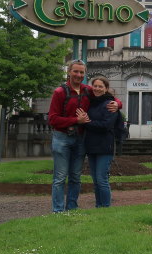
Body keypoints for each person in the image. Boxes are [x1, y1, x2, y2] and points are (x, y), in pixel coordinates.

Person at [47, 59, 119, 213]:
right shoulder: (60, 92)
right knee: (60, 177)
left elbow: (105, 94)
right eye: (75, 71)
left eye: (81, 72)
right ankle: (58, 210)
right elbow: (52, 119)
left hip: (80, 139)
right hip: (62, 138)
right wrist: (76, 120)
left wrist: (118, 103)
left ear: (85, 74)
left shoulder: (87, 90)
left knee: (75, 177)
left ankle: (72, 207)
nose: (78, 75)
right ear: (69, 72)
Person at [79, 77, 119, 208]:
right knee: (96, 180)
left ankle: (106, 207)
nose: (97, 88)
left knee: (102, 179)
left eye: (100, 86)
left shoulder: (110, 104)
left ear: (106, 88)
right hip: (91, 145)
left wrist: (87, 123)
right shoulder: (91, 102)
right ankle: (98, 206)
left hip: (104, 146)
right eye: (95, 86)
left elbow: (106, 125)